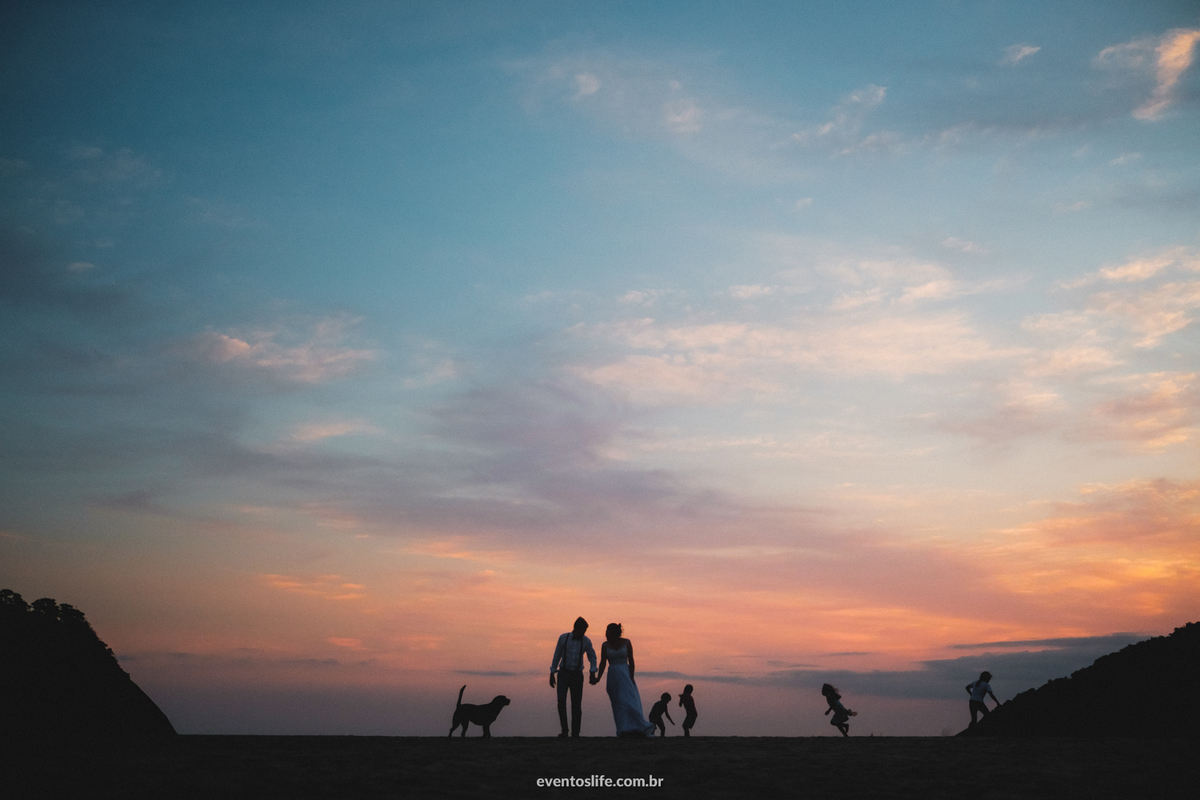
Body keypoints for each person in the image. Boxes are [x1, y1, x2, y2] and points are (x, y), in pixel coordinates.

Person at [593, 622, 656, 737]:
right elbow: (603, 662)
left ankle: (638, 726)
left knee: (628, 701)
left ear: (615, 634)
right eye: (606, 633)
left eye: (608, 633)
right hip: (613, 676)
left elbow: (631, 660)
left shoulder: (626, 642)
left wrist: (631, 676)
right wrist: (598, 677)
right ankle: (623, 729)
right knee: (618, 704)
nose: (606, 636)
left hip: (625, 675)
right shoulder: (605, 645)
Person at [550, 616, 597, 738]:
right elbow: (557, 655)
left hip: (577, 675)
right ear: (576, 628)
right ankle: (564, 730)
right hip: (563, 673)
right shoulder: (563, 638)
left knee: (576, 704)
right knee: (561, 701)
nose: (584, 633)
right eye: (583, 630)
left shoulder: (586, 641)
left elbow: (592, 656)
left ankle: (575, 733)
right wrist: (552, 672)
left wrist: (592, 671)